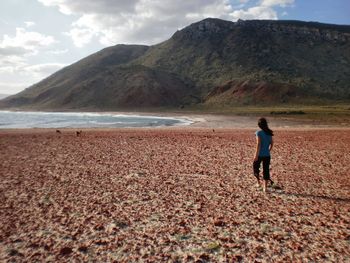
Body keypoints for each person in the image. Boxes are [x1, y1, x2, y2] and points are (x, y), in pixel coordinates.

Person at [253, 117, 274, 192]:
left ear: (259, 125)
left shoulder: (258, 133)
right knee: (266, 170)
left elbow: (258, 144)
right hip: (267, 155)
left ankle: (258, 183)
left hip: (259, 154)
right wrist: (268, 150)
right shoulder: (269, 133)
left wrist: (256, 155)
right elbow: (272, 143)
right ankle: (265, 188)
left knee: (255, 168)